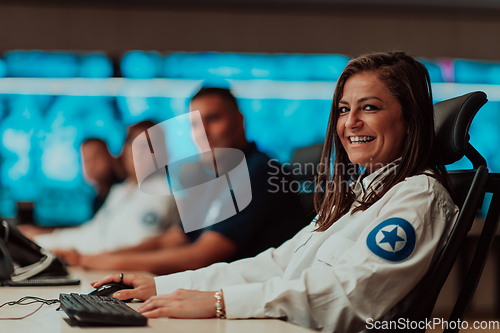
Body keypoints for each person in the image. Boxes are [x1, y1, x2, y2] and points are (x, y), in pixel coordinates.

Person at [93, 52, 459, 332]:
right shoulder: (361, 195)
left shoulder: (418, 197)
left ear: (410, 120)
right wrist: (164, 286)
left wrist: (219, 303)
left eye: (370, 108)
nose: (350, 123)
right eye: (344, 109)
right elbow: (278, 264)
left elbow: (348, 295)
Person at [73, 87, 309, 274]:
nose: (203, 132)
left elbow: (200, 256)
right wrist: (102, 258)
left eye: (213, 119)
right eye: (195, 124)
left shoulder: (260, 172)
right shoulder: (213, 179)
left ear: (239, 122)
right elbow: (172, 240)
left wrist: (100, 262)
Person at [20, 121, 181, 256]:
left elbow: (125, 246)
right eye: (132, 143)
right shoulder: (123, 190)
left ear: (163, 153)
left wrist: (46, 245)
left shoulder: (161, 194)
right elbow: (93, 232)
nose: (137, 152)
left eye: (147, 146)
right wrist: (41, 239)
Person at [80, 138, 124, 215]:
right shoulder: (97, 200)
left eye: (96, 157)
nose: (91, 164)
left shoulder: (124, 189)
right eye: (86, 160)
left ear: (110, 156)